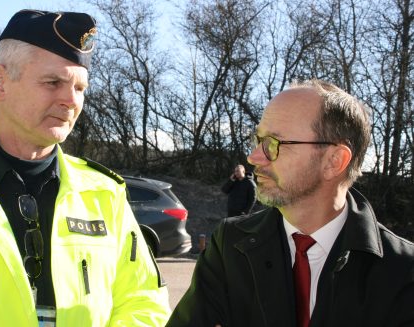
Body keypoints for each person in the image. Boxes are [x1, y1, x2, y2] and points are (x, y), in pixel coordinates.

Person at [0, 9, 170, 326]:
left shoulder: (104, 194)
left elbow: (143, 303)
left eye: (80, 88)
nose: (71, 100)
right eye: (53, 82)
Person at [167, 79, 414, 326]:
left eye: (274, 143)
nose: (254, 157)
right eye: (258, 140)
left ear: (334, 161)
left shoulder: (402, 272)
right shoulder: (230, 246)